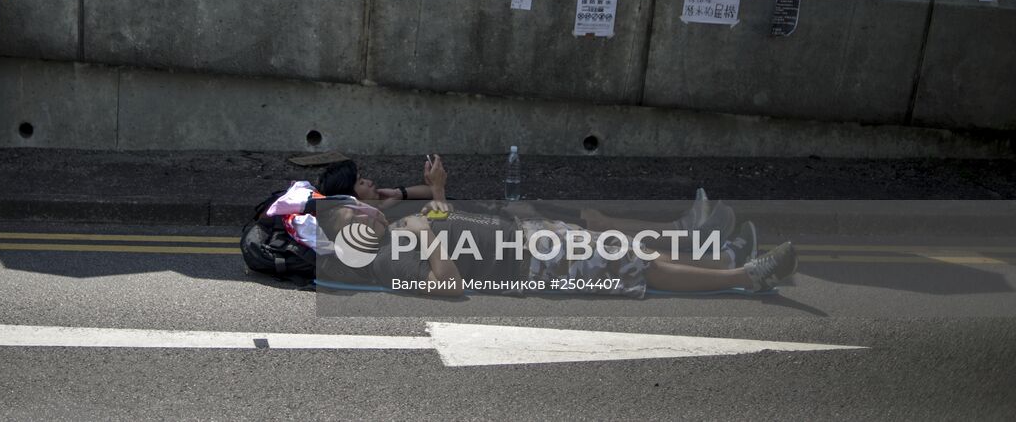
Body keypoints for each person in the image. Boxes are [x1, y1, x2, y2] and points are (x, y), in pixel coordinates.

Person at [315, 158, 795, 296]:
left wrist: (414, 199)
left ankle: (727, 260)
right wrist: (430, 225)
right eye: (355, 210)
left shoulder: (390, 220)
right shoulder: (386, 260)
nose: (367, 200)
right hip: (529, 262)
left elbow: (437, 213)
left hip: (525, 241)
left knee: (626, 251)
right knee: (637, 265)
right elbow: (448, 283)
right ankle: (747, 276)